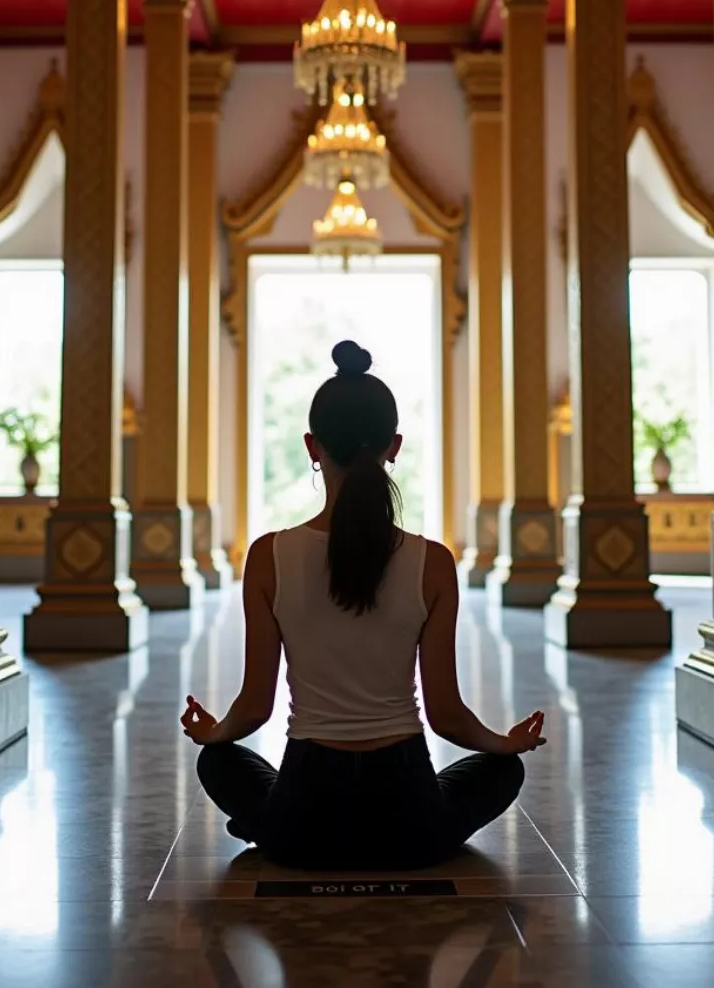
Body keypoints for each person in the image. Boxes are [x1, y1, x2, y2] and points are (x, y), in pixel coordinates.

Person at [181, 340, 546, 871]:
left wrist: (214, 734)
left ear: (313, 446)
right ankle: (393, 838)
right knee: (502, 772)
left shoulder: (268, 557)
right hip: (408, 815)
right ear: (393, 445)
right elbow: (445, 715)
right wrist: (503, 742)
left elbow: (256, 705)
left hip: (306, 808)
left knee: (218, 763)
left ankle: (277, 830)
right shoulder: (433, 562)